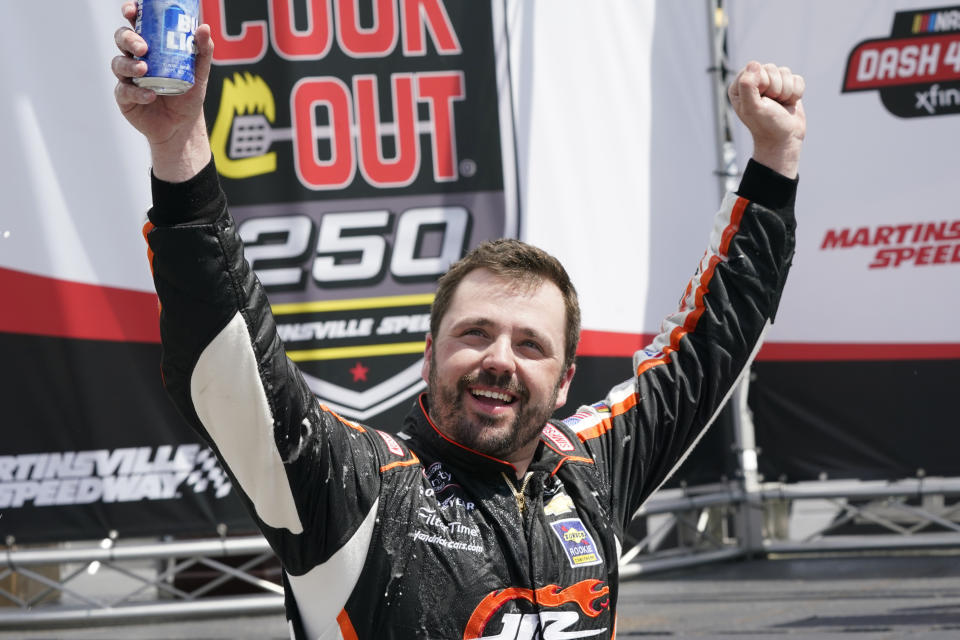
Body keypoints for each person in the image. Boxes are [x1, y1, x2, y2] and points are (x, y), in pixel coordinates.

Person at [113, 3, 804, 638]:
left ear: (564, 381)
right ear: (429, 355)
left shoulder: (589, 472)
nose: (500, 358)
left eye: (530, 344)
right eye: (475, 333)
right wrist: (179, 153)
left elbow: (708, 348)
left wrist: (773, 164)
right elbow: (233, 369)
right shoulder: (354, 490)